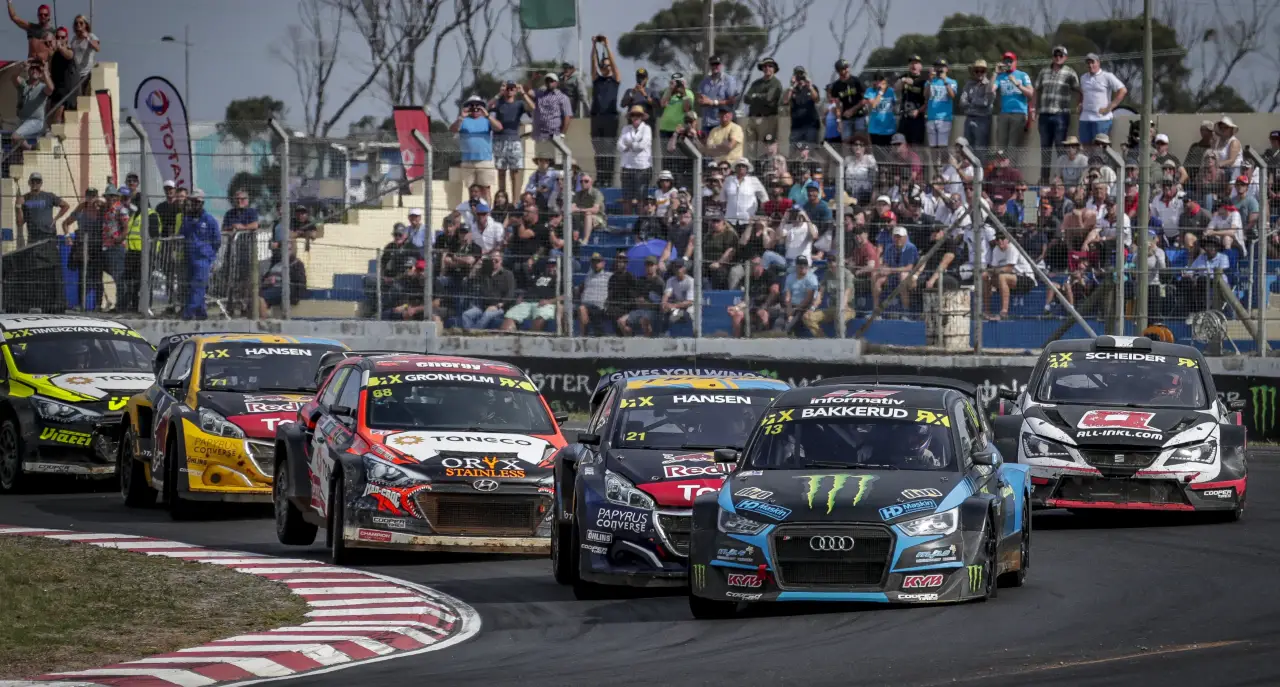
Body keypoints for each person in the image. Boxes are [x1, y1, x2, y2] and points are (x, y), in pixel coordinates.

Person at [1034, 45, 1079, 183]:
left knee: (1061, 149)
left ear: (1065, 57)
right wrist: (1033, 109)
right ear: (1052, 56)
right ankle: (1044, 180)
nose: (1058, 57)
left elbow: (1079, 90)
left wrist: (1079, 105)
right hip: (1044, 115)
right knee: (1045, 150)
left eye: (1061, 55)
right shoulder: (1043, 72)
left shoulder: (1070, 72)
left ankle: (1060, 180)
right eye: (1056, 55)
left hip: (1061, 115)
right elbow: (1036, 90)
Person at [176, 190, 220, 319]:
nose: (194, 204)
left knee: (198, 286)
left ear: (202, 203)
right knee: (192, 286)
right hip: (189, 257)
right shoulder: (187, 219)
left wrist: (209, 254)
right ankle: (201, 314)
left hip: (203, 259)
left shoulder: (209, 220)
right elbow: (182, 234)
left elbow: (217, 240)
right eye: (193, 201)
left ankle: (188, 313)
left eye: (197, 202)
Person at [450, 94, 502, 202]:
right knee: (472, 191)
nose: (474, 107)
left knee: (485, 190)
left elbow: (499, 127)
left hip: (485, 160)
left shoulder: (486, 120)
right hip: (468, 160)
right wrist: (461, 117)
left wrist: (487, 115)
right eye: (471, 105)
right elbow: (452, 130)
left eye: (477, 105)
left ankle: (486, 212)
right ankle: (473, 211)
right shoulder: (463, 120)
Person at [588, 36, 621, 185]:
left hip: (610, 118)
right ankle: (600, 178)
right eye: (604, 66)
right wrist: (594, 46)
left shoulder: (615, 80)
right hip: (597, 117)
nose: (606, 68)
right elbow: (593, 63)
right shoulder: (597, 80)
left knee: (609, 150)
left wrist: (607, 46)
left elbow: (614, 66)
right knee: (598, 150)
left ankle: (608, 179)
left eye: (608, 66)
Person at [489, 81, 531, 197]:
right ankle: (502, 200)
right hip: (499, 140)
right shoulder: (498, 103)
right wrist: (499, 93)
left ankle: (515, 201)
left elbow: (533, 108)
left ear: (515, 90)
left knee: (515, 173)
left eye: (512, 88)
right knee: (501, 172)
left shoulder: (519, 104)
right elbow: (487, 107)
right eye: (508, 88)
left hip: (514, 140)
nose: (509, 90)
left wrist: (523, 93)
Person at [803, 251, 855, 337]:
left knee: (839, 318)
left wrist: (841, 308)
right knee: (807, 317)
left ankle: (841, 340)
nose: (831, 263)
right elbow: (820, 294)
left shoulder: (847, 274)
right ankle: (823, 340)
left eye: (834, 260)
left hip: (847, 309)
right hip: (832, 308)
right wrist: (812, 309)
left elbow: (847, 294)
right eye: (829, 260)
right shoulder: (827, 274)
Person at [1077, 53, 1126, 145]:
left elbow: (1122, 90)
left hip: (1101, 118)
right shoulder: (1083, 77)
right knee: (1085, 146)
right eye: (1088, 63)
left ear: (1098, 62)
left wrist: (1109, 107)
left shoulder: (1107, 76)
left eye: (1093, 62)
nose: (1090, 65)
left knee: (1099, 147)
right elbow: (1082, 92)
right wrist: (1080, 104)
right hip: (1085, 118)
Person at [728, 257, 781, 337]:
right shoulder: (747, 279)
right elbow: (746, 299)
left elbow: (775, 291)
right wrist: (736, 308)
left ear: (761, 265)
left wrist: (764, 306)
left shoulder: (769, 275)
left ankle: (764, 339)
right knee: (737, 314)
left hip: (771, 306)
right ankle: (737, 340)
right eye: (751, 265)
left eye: (755, 265)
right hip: (752, 307)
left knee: (762, 314)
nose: (752, 267)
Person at [985, 234, 1034, 321]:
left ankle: (1004, 312)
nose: (1000, 241)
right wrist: (990, 272)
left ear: (1008, 240)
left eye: (1003, 238)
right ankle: (987, 311)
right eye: (998, 239)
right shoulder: (996, 250)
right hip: (1009, 280)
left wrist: (994, 270)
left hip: (1025, 278)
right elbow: (993, 268)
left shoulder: (1012, 248)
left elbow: (1009, 268)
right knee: (985, 276)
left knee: (1002, 277)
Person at [505, 257, 560, 332]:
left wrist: (549, 301)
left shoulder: (561, 279)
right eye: (549, 266)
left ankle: (531, 339)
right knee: (510, 317)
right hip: (526, 302)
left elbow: (566, 296)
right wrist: (521, 296)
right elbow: (528, 289)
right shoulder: (537, 277)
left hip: (544, 304)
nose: (551, 268)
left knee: (540, 317)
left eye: (553, 266)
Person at [461, 252, 514, 330]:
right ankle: (470, 332)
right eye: (491, 260)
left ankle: (475, 333)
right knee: (466, 315)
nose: (493, 262)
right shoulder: (484, 272)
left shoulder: (508, 274)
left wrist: (497, 306)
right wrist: (476, 267)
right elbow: (468, 283)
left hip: (498, 307)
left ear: (501, 261)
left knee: (487, 315)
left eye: (496, 260)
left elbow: (510, 293)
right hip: (482, 306)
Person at [994, 51, 1034, 152]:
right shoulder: (1000, 76)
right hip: (1004, 113)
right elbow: (990, 90)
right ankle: (1002, 162)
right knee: (1001, 145)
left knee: (1013, 145)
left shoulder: (1022, 75)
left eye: (1010, 61)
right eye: (1005, 61)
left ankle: (1011, 162)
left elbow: (1030, 93)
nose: (1008, 63)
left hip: (1019, 113)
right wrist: (995, 73)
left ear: (1015, 62)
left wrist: (1018, 85)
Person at [616, 105, 653, 214]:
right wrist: (631, 146)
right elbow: (619, 145)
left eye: (638, 115)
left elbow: (642, 145)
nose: (635, 117)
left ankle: (640, 221)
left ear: (642, 117)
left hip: (642, 167)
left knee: (641, 197)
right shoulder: (625, 129)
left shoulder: (647, 129)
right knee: (627, 197)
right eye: (633, 115)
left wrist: (628, 145)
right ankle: (627, 221)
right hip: (627, 166)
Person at [529, 72, 573, 161]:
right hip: (540, 135)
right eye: (547, 81)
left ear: (557, 83)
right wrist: (532, 79)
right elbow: (528, 91)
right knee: (541, 160)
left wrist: (562, 135)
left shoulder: (562, 98)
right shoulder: (540, 94)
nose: (549, 83)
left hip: (554, 136)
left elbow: (567, 116)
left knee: (554, 161)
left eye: (552, 81)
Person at [873, 226, 919, 312]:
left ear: (905, 237)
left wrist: (891, 270)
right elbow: (886, 264)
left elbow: (909, 268)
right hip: (893, 275)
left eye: (899, 237)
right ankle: (876, 310)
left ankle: (906, 311)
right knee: (876, 276)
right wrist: (883, 269)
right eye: (895, 236)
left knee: (903, 277)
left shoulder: (911, 248)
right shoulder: (889, 247)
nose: (897, 239)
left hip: (910, 276)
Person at [743, 56, 783, 153]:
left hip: (768, 119)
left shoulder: (776, 83)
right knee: (751, 147)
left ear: (774, 69)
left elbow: (769, 98)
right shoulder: (756, 83)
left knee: (765, 148)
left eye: (770, 66)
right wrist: (760, 97)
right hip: (753, 119)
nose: (767, 68)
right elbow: (746, 98)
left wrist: (755, 96)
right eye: (765, 66)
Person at [620, 256, 666, 336]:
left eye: (651, 265)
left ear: (656, 266)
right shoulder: (641, 280)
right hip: (640, 310)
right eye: (647, 265)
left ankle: (648, 342)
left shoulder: (659, 282)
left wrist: (645, 303)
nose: (649, 267)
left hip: (653, 312)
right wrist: (639, 301)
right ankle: (630, 340)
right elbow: (635, 298)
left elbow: (658, 305)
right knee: (621, 321)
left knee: (644, 320)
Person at [12, 57, 54, 144]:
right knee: (11, 140)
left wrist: (45, 71)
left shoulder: (42, 87)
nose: (35, 70)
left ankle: (30, 148)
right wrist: (22, 66)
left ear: (41, 73)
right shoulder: (23, 84)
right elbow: (13, 78)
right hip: (21, 120)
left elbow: (51, 89)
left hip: (35, 121)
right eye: (32, 68)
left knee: (15, 136)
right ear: (28, 70)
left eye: (38, 69)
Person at [259, 243, 306, 318]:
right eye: (283, 249)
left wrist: (293, 293)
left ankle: (264, 320)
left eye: (289, 249)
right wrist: (267, 281)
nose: (286, 251)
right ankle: (265, 315)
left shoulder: (296, 263)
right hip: (270, 288)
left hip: (283, 290)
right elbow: (264, 279)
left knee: (260, 298)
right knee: (254, 296)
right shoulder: (275, 264)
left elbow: (301, 284)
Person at [697, 55, 740, 137]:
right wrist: (701, 101)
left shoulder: (729, 80)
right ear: (710, 66)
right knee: (707, 145)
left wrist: (713, 102)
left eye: (717, 64)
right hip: (707, 124)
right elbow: (699, 99)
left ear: (720, 65)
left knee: (722, 145)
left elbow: (732, 101)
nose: (715, 66)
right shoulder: (704, 82)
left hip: (722, 124)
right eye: (713, 64)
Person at [925, 59, 957, 162]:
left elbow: (952, 96)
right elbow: (926, 95)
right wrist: (929, 81)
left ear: (946, 69)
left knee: (943, 147)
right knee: (933, 148)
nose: (939, 69)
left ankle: (944, 168)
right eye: (937, 66)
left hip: (944, 119)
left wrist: (945, 81)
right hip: (931, 118)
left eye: (942, 67)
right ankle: (936, 170)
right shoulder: (930, 81)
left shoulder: (952, 82)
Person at [959, 60, 995, 150]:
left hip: (982, 119)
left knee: (980, 147)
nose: (979, 73)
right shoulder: (968, 84)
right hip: (969, 118)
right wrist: (977, 103)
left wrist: (971, 102)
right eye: (977, 71)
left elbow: (986, 102)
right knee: (967, 147)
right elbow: (962, 101)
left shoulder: (989, 85)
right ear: (973, 72)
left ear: (986, 72)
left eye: (982, 71)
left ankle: (980, 160)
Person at [829, 58, 866, 142]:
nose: (846, 70)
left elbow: (865, 99)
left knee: (860, 140)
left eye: (847, 67)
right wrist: (839, 120)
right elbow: (837, 105)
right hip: (846, 118)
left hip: (859, 116)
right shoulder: (836, 85)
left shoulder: (856, 81)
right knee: (846, 141)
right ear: (838, 71)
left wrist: (852, 110)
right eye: (843, 68)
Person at [785, 66, 821, 149]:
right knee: (794, 150)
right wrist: (791, 86)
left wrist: (810, 86)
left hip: (811, 126)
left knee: (810, 150)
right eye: (797, 74)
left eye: (801, 74)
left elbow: (816, 99)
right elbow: (785, 101)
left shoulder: (812, 87)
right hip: (796, 126)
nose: (800, 77)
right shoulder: (792, 89)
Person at [782, 256, 820, 334]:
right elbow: (787, 295)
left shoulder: (812, 278)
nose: (802, 266)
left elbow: (808, 299)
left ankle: (785, 334)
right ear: (796, 266)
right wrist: (789, 308)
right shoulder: (790, 277)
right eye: (800, 264)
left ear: (807, 266)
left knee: (789, 325)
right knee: (778, 322)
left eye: (805, 264)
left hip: (804, 307)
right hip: (791, 306)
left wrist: (794, 310)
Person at [576, 252, 611, 335]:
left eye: (598, 262)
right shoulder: (588, 276)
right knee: (578, 308)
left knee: (582, 309)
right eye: (593, 262)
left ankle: (584, 336)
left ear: (603, 263)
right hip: (586, 305)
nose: (595, 264)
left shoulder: (608, 276)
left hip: (599, 307)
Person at [896, 55, 928, 147]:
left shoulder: (924, 80)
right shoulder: (904, 77)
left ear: (920, 66)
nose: (914, 65)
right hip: (904, 117)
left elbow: (928, 101)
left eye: (916, 63)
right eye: (912, 63)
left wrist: (918, 111)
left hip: (917, 118)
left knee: (915, 145)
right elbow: (896, 88)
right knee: (900, 144)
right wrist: (903, 80)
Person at [661, 258, 696, 330]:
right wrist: (664, 303)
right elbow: (667, 294)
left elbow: (690, 302)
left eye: (680, 267)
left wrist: (673, 305)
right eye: (676, 267)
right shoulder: (671, 280)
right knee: (668, 313)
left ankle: (694, 333)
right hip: (678, 305)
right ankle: (665, 333)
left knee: (690, 312)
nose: (677, 270)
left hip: (690, 307)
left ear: (684, 269)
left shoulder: (691, 281)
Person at [864, 73, 897, 147]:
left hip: (889, 128)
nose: (879, 82)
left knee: (888, 151)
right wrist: (881, 91)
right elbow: (874, 104)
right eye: (877, 80)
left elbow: (894, 104)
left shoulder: (890, 91)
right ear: (874, 82)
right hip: (875, 128)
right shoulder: (870, 91)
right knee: (877, 151)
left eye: (881, 80)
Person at [68, 14, 97, 94]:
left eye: (81, 23)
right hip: (76, 73)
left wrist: (87, 38)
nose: (78, 25)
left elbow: (97, 48)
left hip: (86, 73)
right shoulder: (74, 39)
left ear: (86, 25)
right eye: (76, 23)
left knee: (83, 94)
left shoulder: (91, 36)